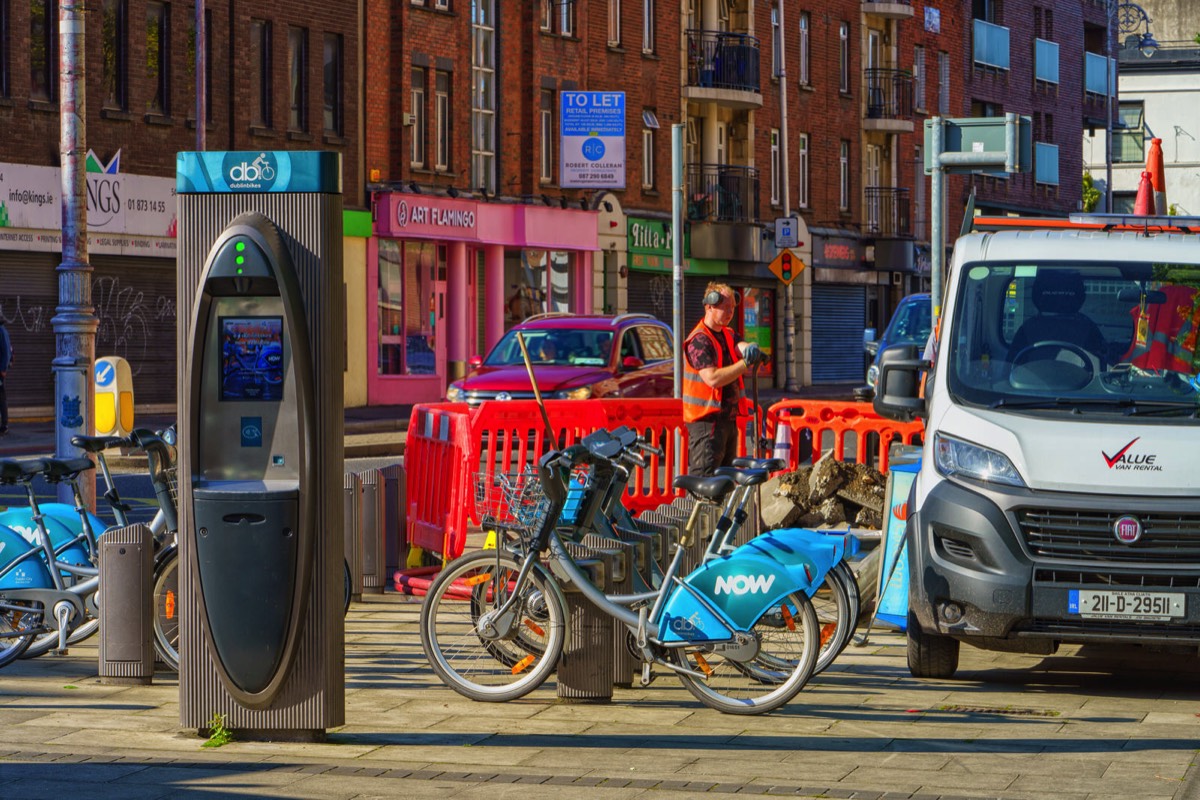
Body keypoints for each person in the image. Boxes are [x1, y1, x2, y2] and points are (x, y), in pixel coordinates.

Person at [683, 282, 766, 475]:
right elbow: (712, 378)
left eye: (733, 309)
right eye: (725, 308)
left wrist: (751, 349)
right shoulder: (699, 340)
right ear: (709, 306)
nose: (730, 313)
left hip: (727, 421)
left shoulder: (727, 333)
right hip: (706, 423)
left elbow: (740, 345)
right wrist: (745, 363)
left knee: (725, 481)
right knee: (704, 480)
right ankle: (700, 507)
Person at [0, 318, 11, 436]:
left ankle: (4, 425)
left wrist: (3, 369)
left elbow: (7, 351)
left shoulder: (1, 331)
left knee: (1, 397)